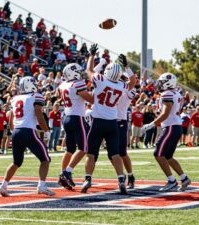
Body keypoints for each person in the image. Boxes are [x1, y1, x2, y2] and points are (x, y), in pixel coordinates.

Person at [81, 44, 135, 194]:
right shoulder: (121, 85)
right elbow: (132, 82)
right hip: (112, 123)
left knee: (91, 154)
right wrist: (126, 66)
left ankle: (87, 179)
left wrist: (91, 55)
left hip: (98, 121)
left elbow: (89, 71)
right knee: (115, 154)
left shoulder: (100, 79)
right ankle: (120, 180)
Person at [0, 76, 54, 197]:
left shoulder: (15, 98)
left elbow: (11, 119)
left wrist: (15, 131)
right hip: (28, 131)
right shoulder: (35, 96)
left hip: (16, 131)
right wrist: (46, 130)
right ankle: (42, 186)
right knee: (45, 159)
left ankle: (3, 185)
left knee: (16, 162)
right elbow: (39, 114)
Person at [141, 73, 191, 192]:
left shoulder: (167, 94)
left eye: (161, 82)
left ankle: (171, 181)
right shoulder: (176, 93)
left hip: (171, 127)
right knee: (168, 156)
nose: (159, 84)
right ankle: (184, 178)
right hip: (175, 126)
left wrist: (151, 124)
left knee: (158, 153)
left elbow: (165, 113)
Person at [57, 63, 94, 190]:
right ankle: (66, 172)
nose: (82, 75)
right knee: (83, 148)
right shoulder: (77, 84)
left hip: (67, 117)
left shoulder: (63, 85)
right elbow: (90, 99)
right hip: (77, 118)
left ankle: (63, 174)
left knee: (69, 149)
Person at [113, 54, 136, 189]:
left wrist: (127, 67)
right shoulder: (109, 84)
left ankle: (130, 175)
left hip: (120, 121)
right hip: (109, 121)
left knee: (122, 152)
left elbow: (132, 82)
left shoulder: (125, 89)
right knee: (112, 154)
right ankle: (121, 176)